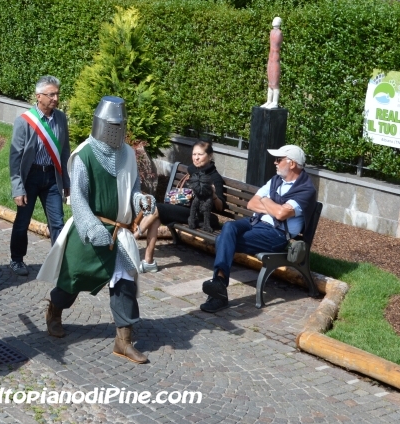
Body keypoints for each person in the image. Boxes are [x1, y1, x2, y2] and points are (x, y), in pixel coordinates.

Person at [38, 96, 154, 364]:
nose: (115, 130)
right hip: (88, 231)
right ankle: (55, 310)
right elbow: (77, 197)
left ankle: (123, 341)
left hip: (120, 233)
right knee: (73, 281)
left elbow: (133, 189)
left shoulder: (128, 154)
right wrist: (91, 226)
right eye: (111, 124)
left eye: (119, 125)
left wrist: (141, 201)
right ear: (101, 124)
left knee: (125, 283)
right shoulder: (85, 155)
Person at [200, 144, 317, 313]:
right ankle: (219, 286)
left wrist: (267, 202)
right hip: (256, 222)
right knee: (229, 227)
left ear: (292, 164)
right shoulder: (276, 180)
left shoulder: (306, 190)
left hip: (275, 234)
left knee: (222, 239)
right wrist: (271, 205)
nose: (275, 163)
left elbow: (281, 214)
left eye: (278, 159)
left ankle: (218, 294)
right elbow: (252, 203)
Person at [9, 75, 71, 276]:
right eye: (51, 94)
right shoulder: (24, 122)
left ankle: (60, 261)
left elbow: (64, 151)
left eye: (57, 94)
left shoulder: (61, 118)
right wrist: (18, 187)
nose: (55, 98)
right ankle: (17, 260)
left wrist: (66, 181)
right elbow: (15, 158)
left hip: (52, 177)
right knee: (23, 221)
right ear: (39, 96)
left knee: (57, 222)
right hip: (30, 177)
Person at [136, 140, 226, 272]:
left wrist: (213, 194)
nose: (196, 157)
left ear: (210, 156)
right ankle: (148, 262)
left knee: (157, 209)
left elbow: (220, 207)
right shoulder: (192, 170)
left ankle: (133, 238)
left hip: (200, 216)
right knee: (157, 216)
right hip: (185, 209)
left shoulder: (215, 177)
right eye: (194, 154)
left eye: (200, 154)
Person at [261, 17, 283, 109]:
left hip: (275, 59)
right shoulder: (271, 32)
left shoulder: (279, 33)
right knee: (270, 82)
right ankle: (269, 101)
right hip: (271, 59)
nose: (274, 21)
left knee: (275, 82)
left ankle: (275, 102)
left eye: (276, 20)